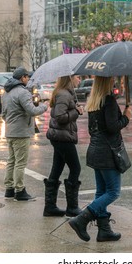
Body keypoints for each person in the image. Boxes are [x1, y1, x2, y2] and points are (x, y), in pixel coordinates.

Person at [69, 76, 131, 242]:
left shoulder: (93, 102)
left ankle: (104, 230)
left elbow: (93, 129)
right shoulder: (108, 100)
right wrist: (126, 118)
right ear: (106, 82)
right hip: (107, 153)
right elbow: (112, 127)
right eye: (111, 80)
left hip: (95, 150)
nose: (114, 81)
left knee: (101, 192)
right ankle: (82, 219)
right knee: (113, 192)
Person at [2, 67, 48, 201]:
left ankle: (9, 189)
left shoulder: (6, 92)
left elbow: (3, 114)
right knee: (20, 163)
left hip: (10, 131)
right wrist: (44, 106)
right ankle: (20, 190)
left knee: (11, 161)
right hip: (21, 133)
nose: (28, 79)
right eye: (27, 77)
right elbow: (32, 110)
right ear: (22, 78)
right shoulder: (23, 92)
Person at [44, 75, 83, 217]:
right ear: (70, 78)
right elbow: (60, 117)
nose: (79, 80)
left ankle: (50, 207)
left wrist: (75, 110)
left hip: (60, 137)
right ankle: (72, 208)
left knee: (57, 168)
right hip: (62, 138)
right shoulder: (64, 94)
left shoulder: (65, 93)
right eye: (77, 77)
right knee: (75, 168)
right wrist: (76, 112)